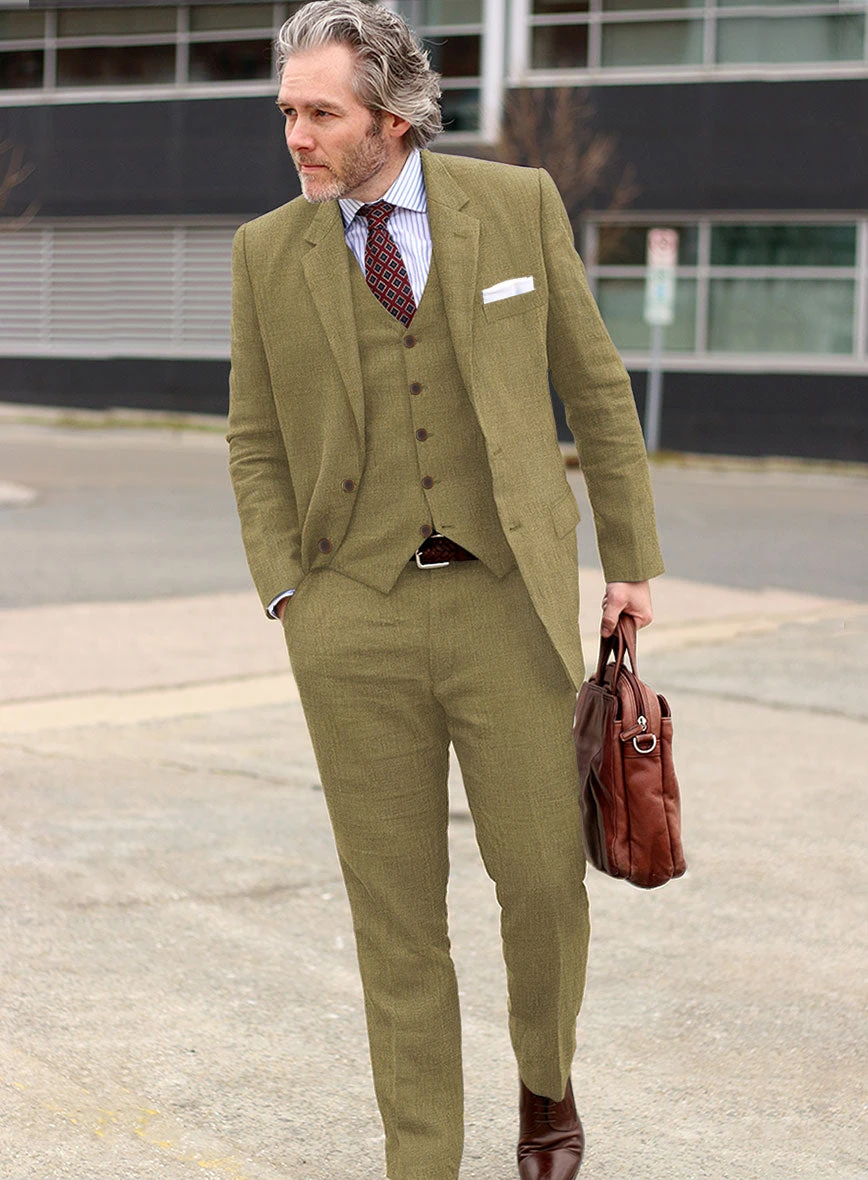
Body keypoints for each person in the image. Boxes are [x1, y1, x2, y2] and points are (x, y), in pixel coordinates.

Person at [227, 3, 664, 1177]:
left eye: (321, 114)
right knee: (396, 918)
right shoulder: (265, 252)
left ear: (393, 115)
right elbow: (253, 438)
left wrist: (628, 559)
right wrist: (288, 594)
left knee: (543, 885)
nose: (296, 137)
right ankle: (420, 1159)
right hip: (350, 616)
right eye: (287, 113)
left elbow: (596, 387)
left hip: (504, 604)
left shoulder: (515, 205)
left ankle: (544, 1081)